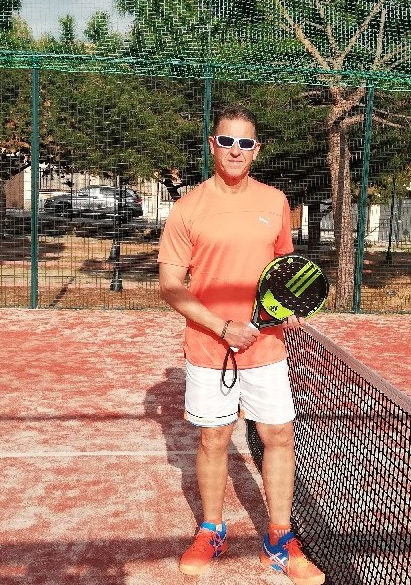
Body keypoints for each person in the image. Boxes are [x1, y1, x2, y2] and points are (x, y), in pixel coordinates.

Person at [157, 104, 325, 585]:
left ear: (256, 150)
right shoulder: (188, 208)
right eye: (227, 141)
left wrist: (288, 306)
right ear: (213, 145)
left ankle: (279, 542)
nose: (235, 150)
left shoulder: (275, 202)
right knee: (214, 438)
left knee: (279, 437)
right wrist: (222, 326)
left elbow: (286, 270)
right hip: (208, 349)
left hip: (266, 348)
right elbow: (170, 286)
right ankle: (211, 531)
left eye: (245, 142)